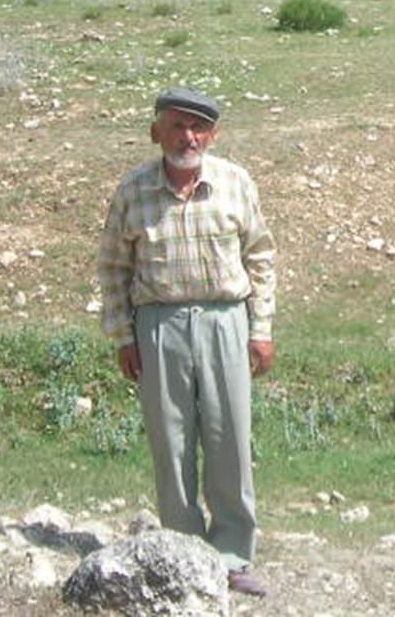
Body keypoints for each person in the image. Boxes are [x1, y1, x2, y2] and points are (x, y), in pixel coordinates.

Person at [98, 86, 277, 598]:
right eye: (177, 125)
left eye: (198, 127)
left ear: (213, 134)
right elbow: (113, 267)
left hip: (226, 321)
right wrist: (123, 335)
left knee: (229, 438)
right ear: (156, 132)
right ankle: (183, 551)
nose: (188, 136)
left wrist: (260, 329)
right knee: (170, 441)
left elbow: (260, 258)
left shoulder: (235, 183)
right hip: (159, 325)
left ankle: (233, 555)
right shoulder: (133, 190)